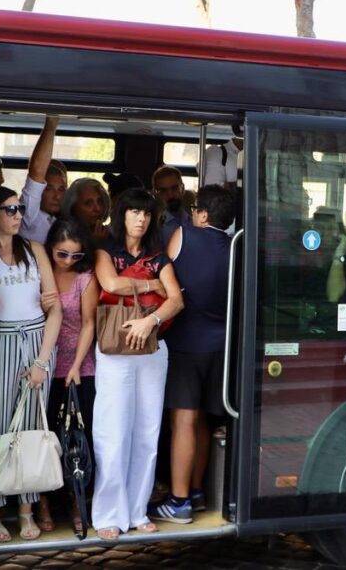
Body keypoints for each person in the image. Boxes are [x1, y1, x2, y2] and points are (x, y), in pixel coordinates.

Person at [92, 188, 184, 540]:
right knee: (112, 433)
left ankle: (137, 510)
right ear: (122, 215)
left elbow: (176, 301)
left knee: (147, 433)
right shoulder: (106, 252)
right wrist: (150, 284)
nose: (141, 219)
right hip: (114, 352)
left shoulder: (161, 257)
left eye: (146, 214)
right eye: (134, 212)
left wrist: (151, 321)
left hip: (152, 351)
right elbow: (111, 282)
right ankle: (107, 514)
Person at [149, 185, 235, 524]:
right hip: (221, 347)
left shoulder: (184, 235)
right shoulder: (236, 247)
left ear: (202, 214)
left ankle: (179, 500)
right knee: (201, 419)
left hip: (185, 343)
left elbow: (165, 278)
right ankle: (197, 491)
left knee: (182, 420)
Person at [0, 186, 62, 543]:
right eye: (9, 209)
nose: (17, 215)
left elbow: (55, 309)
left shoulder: (34, 250)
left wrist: (42, 361)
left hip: (35, 339)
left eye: (19, 209)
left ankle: (27, 509)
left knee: (32, 425)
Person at [37, 219, 99, 535]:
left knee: (77, 437)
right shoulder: (37, 273)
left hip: (79, 366)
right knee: (44, 436)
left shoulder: (85, 278)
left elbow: (90, 323)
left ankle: (77, 501)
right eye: (62, 254)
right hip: (43, 364)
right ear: (51, 248)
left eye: (76, 255)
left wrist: (76, 365)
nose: (68, 261)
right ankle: (43, 503)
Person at [19, 116, 67, 243]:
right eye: (49, 189)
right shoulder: (29, 215)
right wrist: (51, 125)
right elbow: (37, 170)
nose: (57, 196)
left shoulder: (64, 221)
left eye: (62, 190)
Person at [63, 177, 112, 244]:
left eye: (100, 201)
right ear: (73, 208)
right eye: (89, 203)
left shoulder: (109, 234)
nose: (97, 208)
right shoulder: (64, 234)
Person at [152, 165, 190, 244]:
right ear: (156, 194)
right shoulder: (154, 227)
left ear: (182, 188)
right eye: (163, 191)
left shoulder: (193, 221)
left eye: (174, 188)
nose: (170, 195)